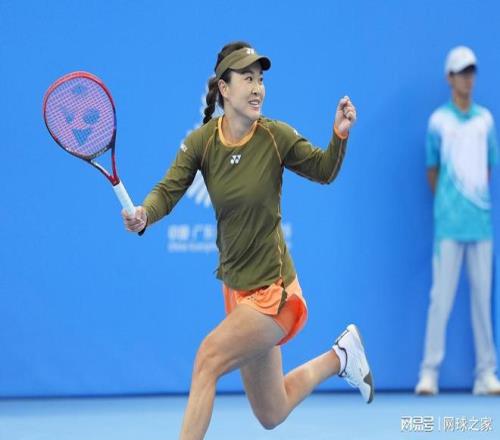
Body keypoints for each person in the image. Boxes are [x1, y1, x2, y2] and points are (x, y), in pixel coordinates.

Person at [123, 41, 374, 439]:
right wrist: (144, 214)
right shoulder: (202, 142)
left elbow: (324, 169)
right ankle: (340, 356)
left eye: (260, 80)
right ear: (224, 88)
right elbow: (168, 191)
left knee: (207, 359)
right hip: (237, 290)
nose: (257, 88)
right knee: (272, 411)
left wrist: (339, 135)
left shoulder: (275, 136)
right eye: (247, 79)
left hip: (274, 292)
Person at [416, 46, 500, 396]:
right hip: (449, 227)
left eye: (471, 71)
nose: (468, 78)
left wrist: (472, 203)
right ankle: (429, 373)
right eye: (462, 72)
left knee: (483, 300)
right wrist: (450, 205)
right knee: (441, 299)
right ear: (449, 78)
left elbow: (488, 168)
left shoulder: (485, 121)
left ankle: (486, 374)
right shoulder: (438, 122)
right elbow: (432, 171)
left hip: (480, 226)